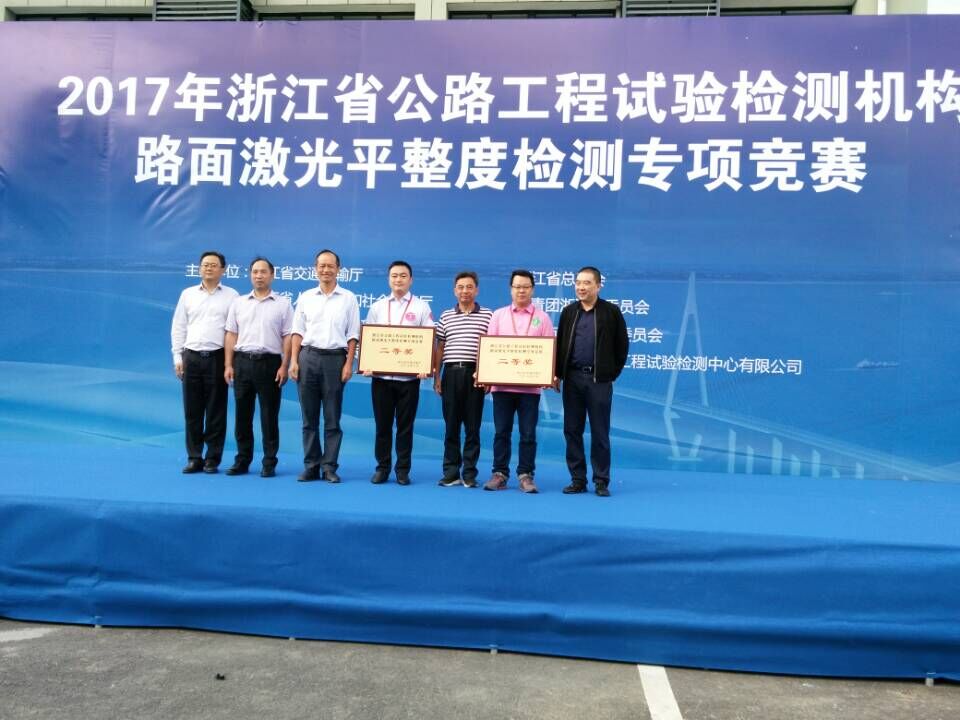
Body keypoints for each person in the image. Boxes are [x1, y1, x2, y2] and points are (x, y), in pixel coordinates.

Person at [554, 266, 628, 497]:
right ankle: (577, 479)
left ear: (598, 286)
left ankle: (601, 480)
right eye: (578, 283)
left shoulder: (611, 312)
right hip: (572, 379)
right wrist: (557, 374)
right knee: (572, 430)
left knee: (600, 432)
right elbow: (560, 344)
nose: (581, 287)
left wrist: (609, 374)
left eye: (587, 283)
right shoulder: (569, 312)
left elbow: (622, 346)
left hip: (599, 380)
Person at [289, 250, 360, 483]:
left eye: (330, 266)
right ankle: (311, 465)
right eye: (321, 266)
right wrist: (293, 361)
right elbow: (297, 331)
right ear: (315, 269)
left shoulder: (348, 298)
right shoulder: (306, 297)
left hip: (335, 360)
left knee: (332, 418)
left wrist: (348, 363)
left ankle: (329, 466)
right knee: (308, 418)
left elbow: (353, 334)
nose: (326, 270)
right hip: (307, 357)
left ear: (338, 269)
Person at [482, 270, 555, 494]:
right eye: (517, 286)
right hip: (502, 386)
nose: (521, 290)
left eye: (525, 286)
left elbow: (550, 350)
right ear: (510, 289)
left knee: (528, 433)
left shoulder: (542, 318)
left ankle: (525, 475)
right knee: (501, 432)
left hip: (530, 389)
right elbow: (489, 348)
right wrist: (485, 375)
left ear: (532, 289)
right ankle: (500, 474)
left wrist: (549, 374)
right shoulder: (498, 315)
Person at [363, 260, 433, 486]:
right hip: (381, 379)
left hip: (409, 379)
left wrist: (425, 365)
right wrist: (368, 363)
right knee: (382, 426)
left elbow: (429, 339)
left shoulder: (421, 307)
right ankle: (382, 468)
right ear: (388, 279)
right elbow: (369, 338)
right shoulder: (378, 307)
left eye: (403, 276)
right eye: (394, 275)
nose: (398, 279)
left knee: (405, 427)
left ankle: (402, 470)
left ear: (411, 280)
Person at [223, 257, 293, 478]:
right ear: (250, 275)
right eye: (255, 272)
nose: (259, 276)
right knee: (242, 416)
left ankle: (269, 462)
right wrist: (228, 364)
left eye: (263, 272)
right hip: (242, 362)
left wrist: (285, 365)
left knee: (269, 416)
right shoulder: (239, 303)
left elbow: (288, 336)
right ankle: (242, 460)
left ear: (272, 275)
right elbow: (231, 334)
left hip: (270, 364)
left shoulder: (283, 304)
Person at [171, 251, 239, 474]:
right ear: (199, 268)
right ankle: (194, 457)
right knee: (192, 411)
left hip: (217, 357)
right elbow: (179, 326)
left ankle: (212, 459)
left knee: (216, 411)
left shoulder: (232, 296)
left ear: (223, 270)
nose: (208, 268)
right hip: (191, 357)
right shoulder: (188, 294)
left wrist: (230, 363)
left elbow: (233, 331)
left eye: (213, 265)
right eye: (205, 264)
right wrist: (177, 356)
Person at [432, 271, 493, 488]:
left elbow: (492, 349)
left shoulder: (488, 315)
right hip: (450, 374)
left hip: (475, 376)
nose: (464, 291)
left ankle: (469, 473)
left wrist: (487, 376)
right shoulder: (446, 316)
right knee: (451, 426)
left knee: (473, 427)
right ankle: (451, 473)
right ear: (454, 290)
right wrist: (437, 375)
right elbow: (440, 347)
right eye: (460, 287)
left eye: (469, 287)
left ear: (476, 290)